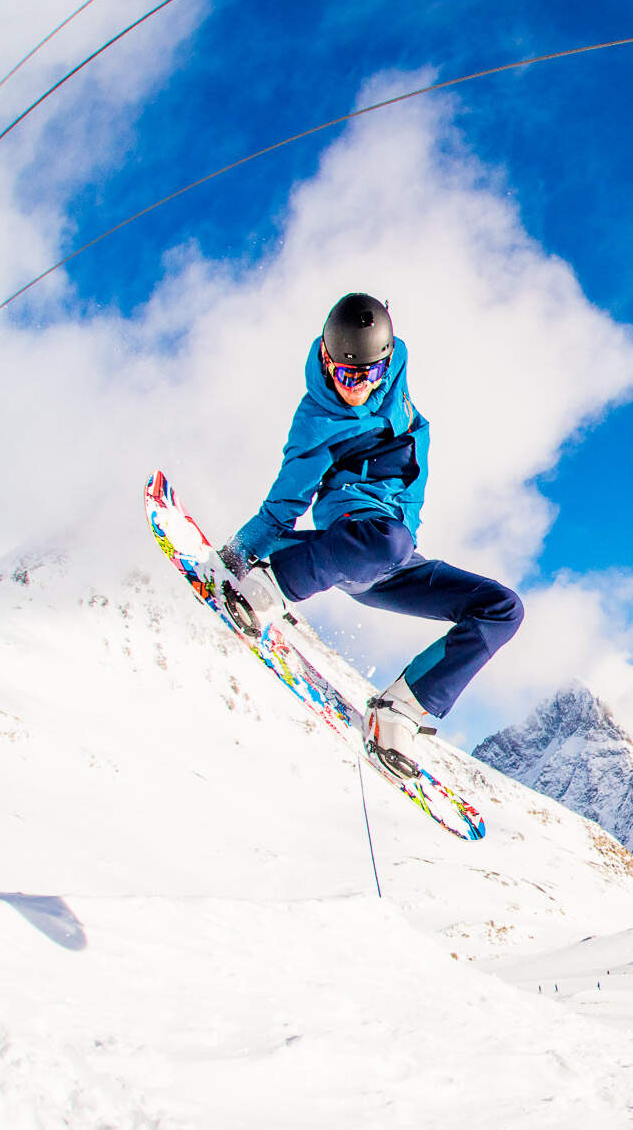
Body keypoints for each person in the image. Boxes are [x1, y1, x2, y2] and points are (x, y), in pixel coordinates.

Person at [218, 292, 524, 777]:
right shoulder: (317, 422)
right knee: (386, 540)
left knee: (503, 609)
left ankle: (399, 711)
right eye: (346, 375)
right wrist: (233, 559)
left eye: (370, 374)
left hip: (396, 559)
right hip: (357, 537)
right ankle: (269, 586)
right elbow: (282, 507)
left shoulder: (393, 369)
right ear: (327, 361)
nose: (358, 387)